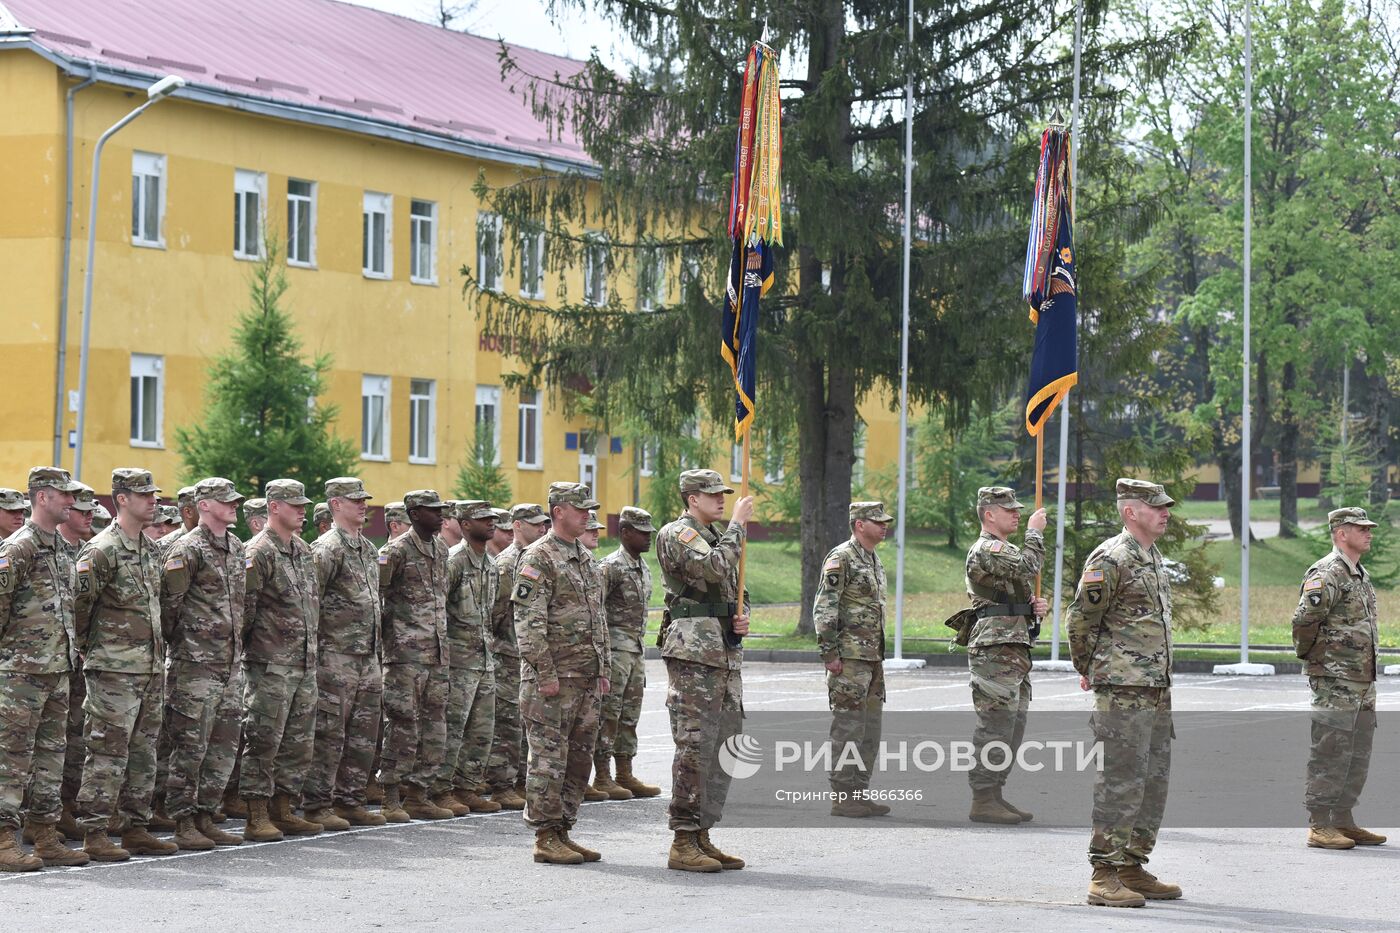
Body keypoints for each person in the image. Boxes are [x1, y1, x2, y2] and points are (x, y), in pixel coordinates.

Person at [1067, 478, 1180, 908]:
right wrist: (1090, 668)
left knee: (1153, 781)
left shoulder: (1151, 557)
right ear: (1131, 512)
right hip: (1122, 689)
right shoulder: (1111, 558)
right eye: (1157, 507)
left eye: (1166, 506)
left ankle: (1132, 865)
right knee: (1120, 781)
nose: (1166, 512)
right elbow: (1081, 620)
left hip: (1155, 689)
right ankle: (1103, 873)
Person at [73, 469, 175, 861]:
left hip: (149, 668)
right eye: (143, 495)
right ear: (121, 500)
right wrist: (92, 651)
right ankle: (95, 832)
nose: (152, 500)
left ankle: (135, 827)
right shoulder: (101, 550)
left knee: (143, 752)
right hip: (113, 669)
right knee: (106, 752)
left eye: (153, 494)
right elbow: (79, 610)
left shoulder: (150, 551)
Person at [655, 469, 754, 873]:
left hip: (723, 652)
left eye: (723, 494)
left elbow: (735, 588)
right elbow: (712, 569)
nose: (721, 499)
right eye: (712, 494)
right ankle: (682, 838)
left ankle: (703, 833)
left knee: (724, 745)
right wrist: (737, 528)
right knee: (695, 745)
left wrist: (743, 615)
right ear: (691, 498)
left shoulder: (716, 537)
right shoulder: (676, 534)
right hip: (694, 653)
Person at [512, 482, 610, 864]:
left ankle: (564, 829)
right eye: (581, 508)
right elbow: (528, 621)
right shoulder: (539, 557)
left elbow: (596, 618)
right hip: (552, 682)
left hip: (585, 678)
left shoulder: (584, 559)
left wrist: (602, 669)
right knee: (548, 760)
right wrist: (545, 673)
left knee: (578, 759)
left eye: (590, 508)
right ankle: (545, 834)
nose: (588, 514)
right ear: (558, 512)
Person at [0, 467, 87, 871]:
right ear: (41, 497)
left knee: (52, 755)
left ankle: (46, 833)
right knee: (12, 757)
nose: (71, 501)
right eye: (63, 494)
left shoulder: (64, 549)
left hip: (57, 669)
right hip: (21, 672)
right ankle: (3, 839)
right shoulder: (20, 547)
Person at [159, 478, 247, 850]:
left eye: (235, 501)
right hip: (195, 665)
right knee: (190, 746)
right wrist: (186, 646)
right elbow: (168, 607)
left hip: (229, 664)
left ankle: (206, 815)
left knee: (223, 745)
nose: (234, 507)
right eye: (226, 502)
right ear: (205, 505)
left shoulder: (237, 546)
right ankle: (182, 820)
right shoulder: (187, 548)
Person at [1293, 507, 1385, 850]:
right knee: (1330, 749)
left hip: (1362, 680)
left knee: (1358, 752)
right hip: (1334, 679)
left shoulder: (1359, 573)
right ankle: (1319, 824)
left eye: (1368, 528)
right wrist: (1316, 660)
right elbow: (1303, 621)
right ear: (1341, 533)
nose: (1368, 532)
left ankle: (1343, 819)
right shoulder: (1327, 573)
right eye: (1360, 528)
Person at [962, 487, 1048, 824]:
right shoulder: (987, 548)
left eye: (1017, 509)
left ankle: (994, 793)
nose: (1016, 513)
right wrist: (1035, 532)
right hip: (995, 649)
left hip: (1012, 647)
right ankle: (983, 797)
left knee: (1013, 725)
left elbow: (1011, 590)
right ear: (989, 514)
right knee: (996, 723)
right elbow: (1029, 564)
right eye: (1008, 509)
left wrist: (1031, 608)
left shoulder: (1003, 549)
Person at [241, 479, 321, 839]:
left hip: (303, 663)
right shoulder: (258, 552)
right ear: (274, 507)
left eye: (304, 504)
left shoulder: (303, 551)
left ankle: (283, 807)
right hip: (269, 663)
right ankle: (256, 813)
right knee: (263, 738)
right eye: (295, 505)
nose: (303, 510)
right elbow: (245, 609)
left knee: (298, 741)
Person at [304, 478, 385, 828]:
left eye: (364, 499)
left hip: (366, 655)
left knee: (363, 734)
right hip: (334, 655)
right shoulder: (326, 549)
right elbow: (311, 603)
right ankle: (317, 803)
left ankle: (350, 799)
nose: (363, 505)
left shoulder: (367, 548)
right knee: (329, 733)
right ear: (336, 505)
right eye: (355, 501)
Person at [813, 501, 896, 819]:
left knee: (869, 730)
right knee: (848, 728)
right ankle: (843, 796)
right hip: (849, 658)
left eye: (885, 521)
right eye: (878, 521)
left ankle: (859, 792)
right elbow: (825, 606)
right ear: (859, 524)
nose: (884, 525)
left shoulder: (873, 559)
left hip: (872, 658)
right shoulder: (841, 558)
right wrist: (829, 653)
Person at [377, 490, 452, 821]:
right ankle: (390, 795)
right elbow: (378, 598)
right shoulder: (395, 551)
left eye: (442, 511)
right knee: (402, 725)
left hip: (437, 654)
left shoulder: (441, 549)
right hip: (404, 655)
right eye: (433, 511)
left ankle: (419, 793)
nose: (441, 516)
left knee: (435, 726)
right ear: (415, 514)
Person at [436, 500, 500, 815]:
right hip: (458, 661)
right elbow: (438, 610)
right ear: (464, 525)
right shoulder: (454, 562)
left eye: (492, 519)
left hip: (485, 659)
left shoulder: (490, 563)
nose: (491, 523)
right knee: (453, 728)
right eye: (483, 519)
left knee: (481, 729)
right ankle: (442, 789)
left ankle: (467, 787)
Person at [484, 503, 550, 809]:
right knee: (508, 723)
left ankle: (522, 779)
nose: (542, 529)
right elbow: (496, 613)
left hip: (528, 656)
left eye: (544, 524)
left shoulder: (536, 558)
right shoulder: (506, 563)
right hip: (508, 654)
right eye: (535, 524)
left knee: (528, 725)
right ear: (517, 526)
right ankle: (502, 783)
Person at [593, 506, 660, 799]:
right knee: (609, 714)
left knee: (630, 715)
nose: (648, 539)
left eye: (650, 533)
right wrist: (602, 658)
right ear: (625, 533)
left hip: (634, 652)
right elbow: (595, 611)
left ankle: (624, 772)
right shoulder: (610, 567)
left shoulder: (643, 567)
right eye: (642, 533)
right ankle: (603, 776)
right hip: (614, 652)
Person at [54, 484, 97, 841]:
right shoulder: (39, 549)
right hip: (45, 661)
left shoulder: (87, 552)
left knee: (75, 741)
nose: (89, 516)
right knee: (46, 743)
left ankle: (65, 808)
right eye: (82, 510)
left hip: (78, 660)